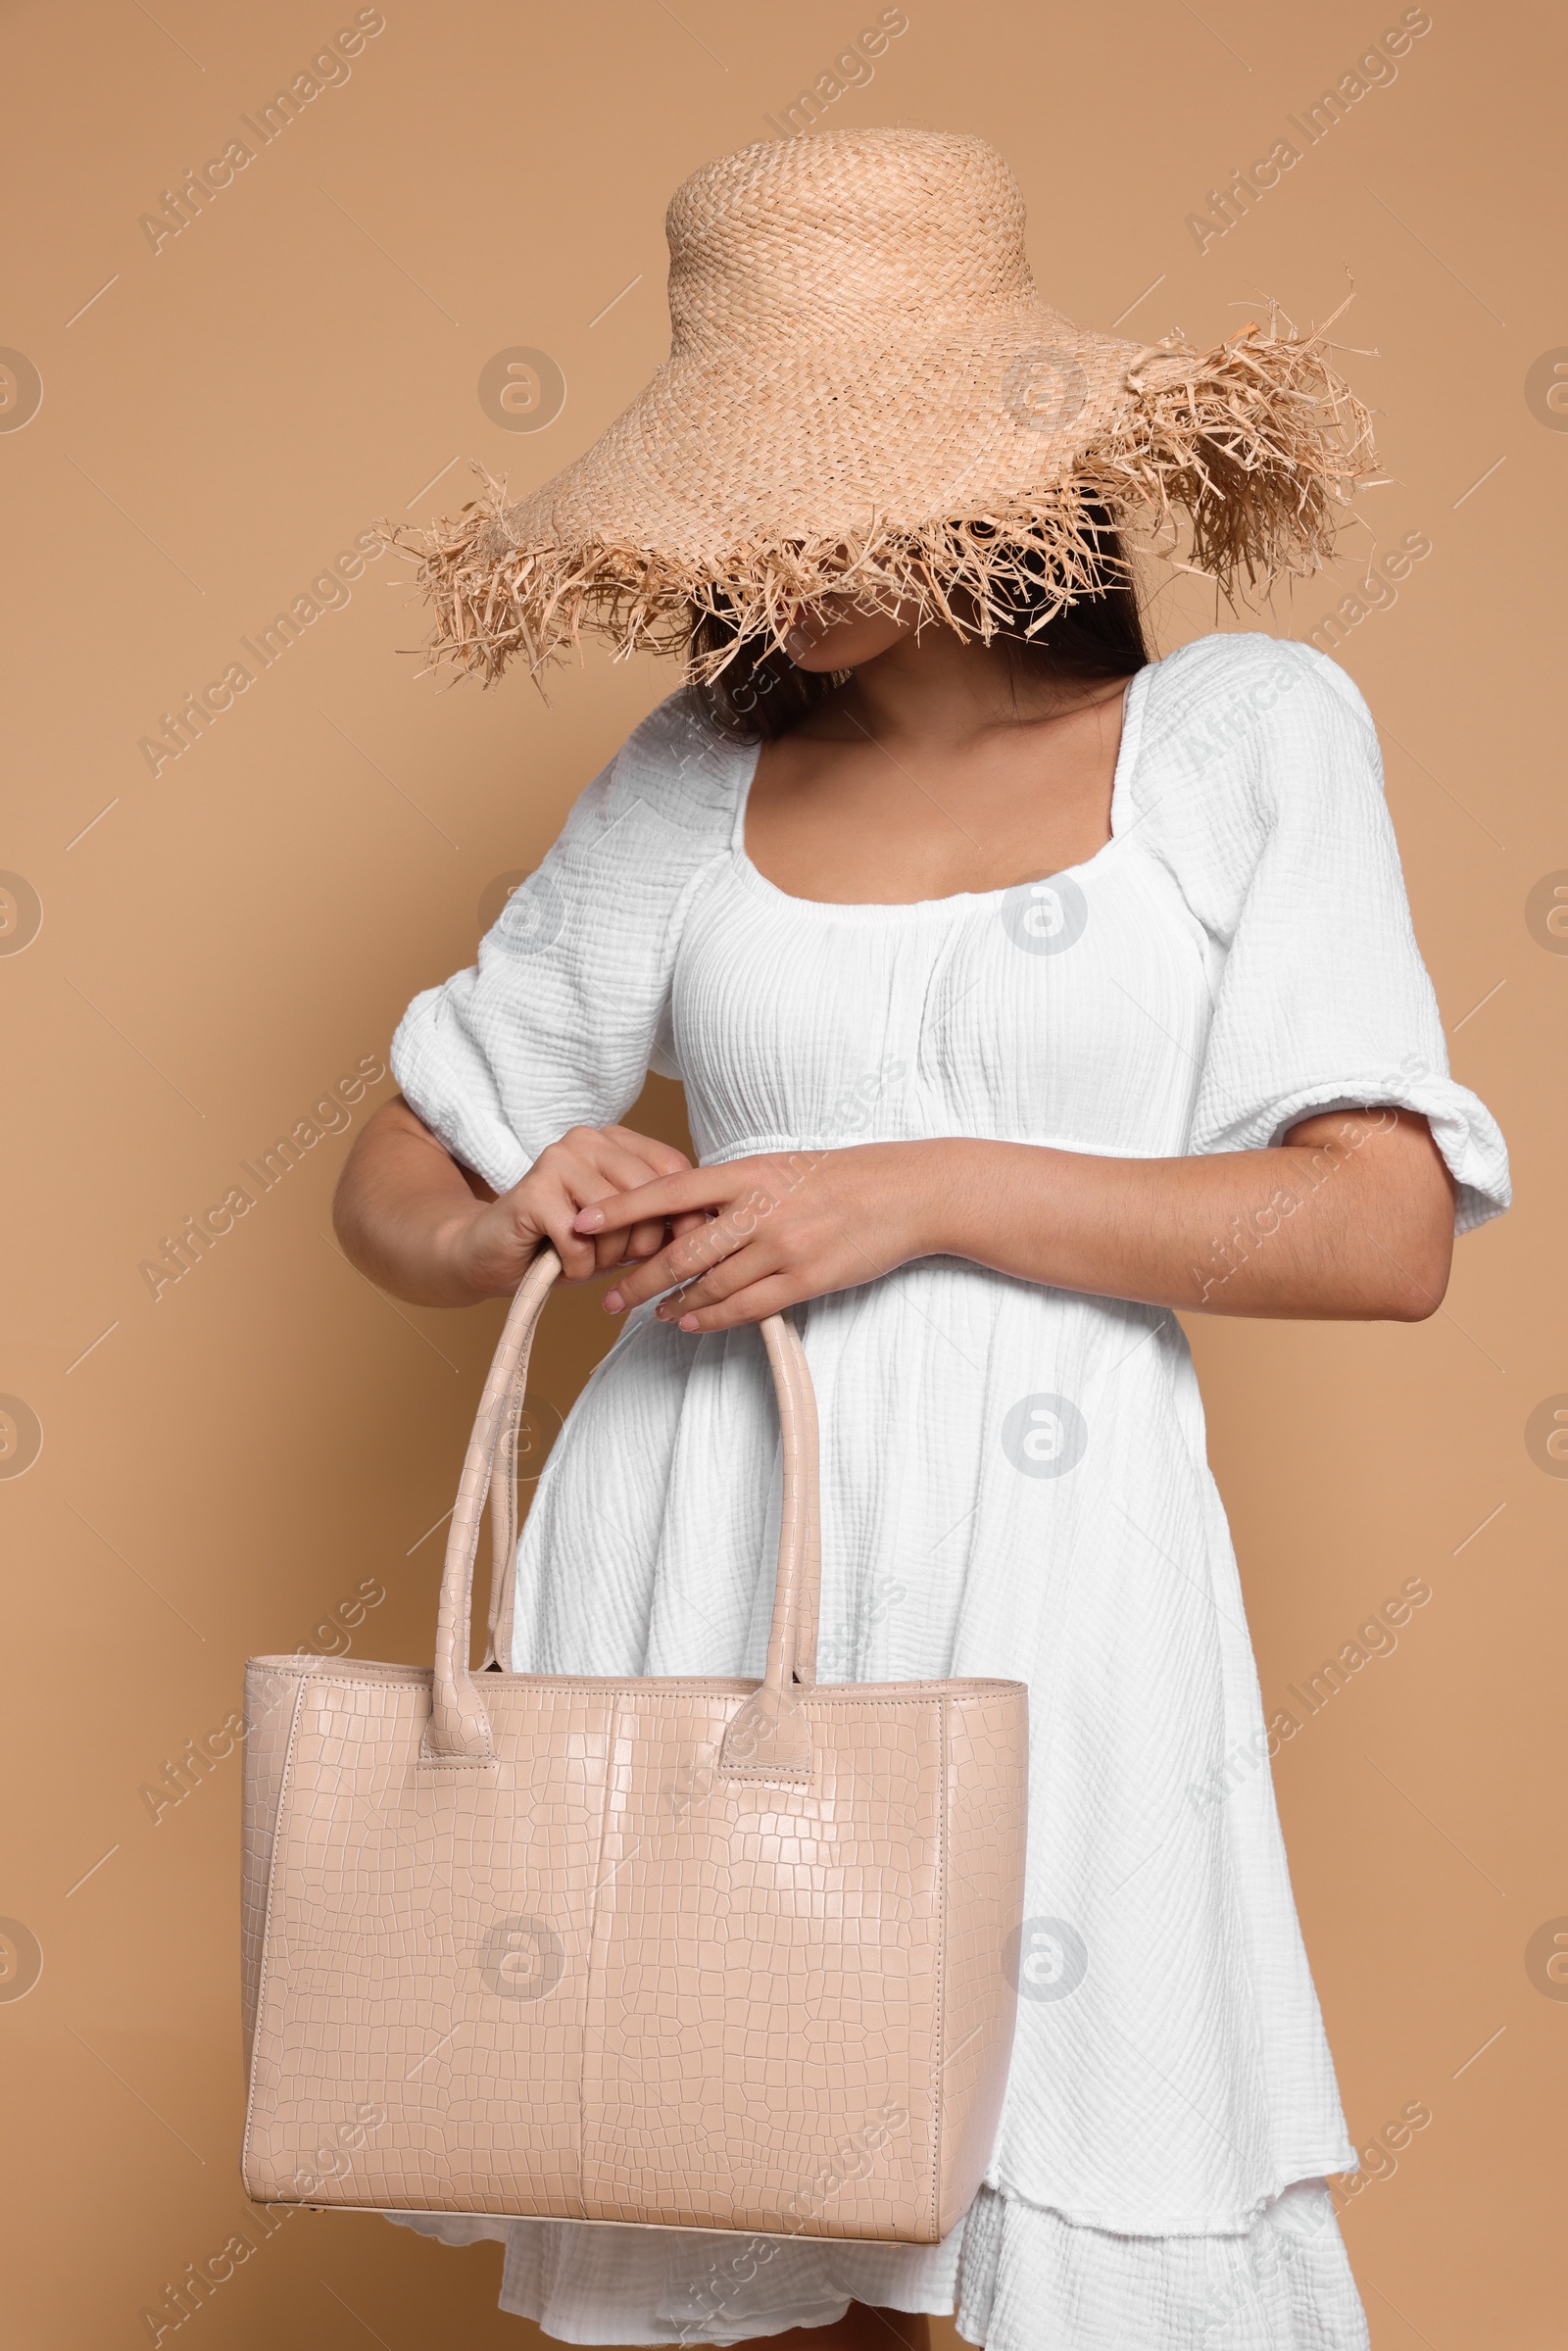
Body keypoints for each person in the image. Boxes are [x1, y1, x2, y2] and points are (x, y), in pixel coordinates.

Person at [334, 128, 1508, 2351]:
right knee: (730, 2217)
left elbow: (1376, 1233)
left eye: (844, 475)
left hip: (1063, 1581)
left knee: (1049, 2215)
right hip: (698, 1533)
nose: (788, 559)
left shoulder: (1238, 736)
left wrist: (923, 1186)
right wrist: (511, 1205)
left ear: (1011, 462)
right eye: (749, 495)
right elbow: (391, 1179)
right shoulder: (682, 779)